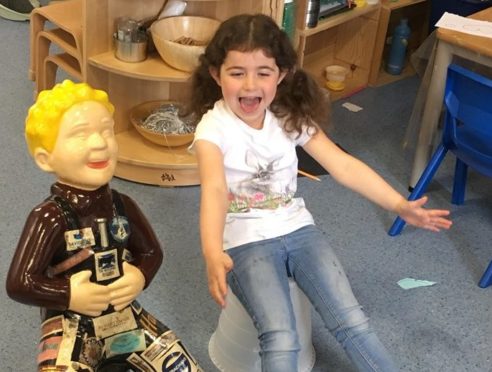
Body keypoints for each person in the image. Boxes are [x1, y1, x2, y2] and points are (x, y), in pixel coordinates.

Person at [187, 14, 452, 372]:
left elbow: (343, 165)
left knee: (353, 323)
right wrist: (211, 252)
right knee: (280, 337)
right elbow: (215, 190)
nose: (250, 85)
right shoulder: (212, 129)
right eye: (237, 73)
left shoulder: (287, 115)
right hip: (245, 240)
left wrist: (398, 203)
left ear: (281, 75)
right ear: (217, 75)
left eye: (263, 72)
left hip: (298, 230)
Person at [6, 80, 202, 372]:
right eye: (80, 135)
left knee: (182, 367)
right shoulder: (49, 218)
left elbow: (151, 253)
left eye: (106, 131)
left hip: (125, 317)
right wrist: (69, 294)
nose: (99, 143)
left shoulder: (122, 205)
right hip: (70, 322)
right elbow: (20, 283)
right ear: (46, 159)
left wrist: (139, 275)